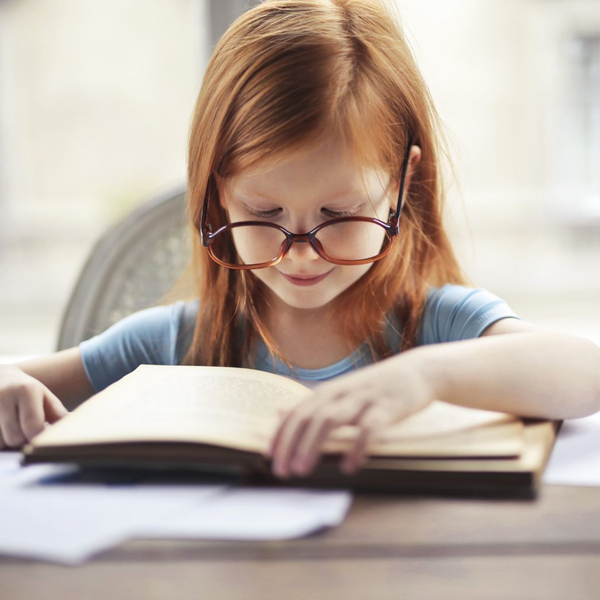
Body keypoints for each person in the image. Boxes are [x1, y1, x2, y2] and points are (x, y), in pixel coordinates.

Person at [1, 0, 599, 480]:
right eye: (263, 212)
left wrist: (427, 378)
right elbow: (19, 383)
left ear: (402, 182)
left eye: (341, 212)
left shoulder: (437, 326)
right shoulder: (174, 342)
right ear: (216, 196)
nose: (301, 251)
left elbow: (587, 372)